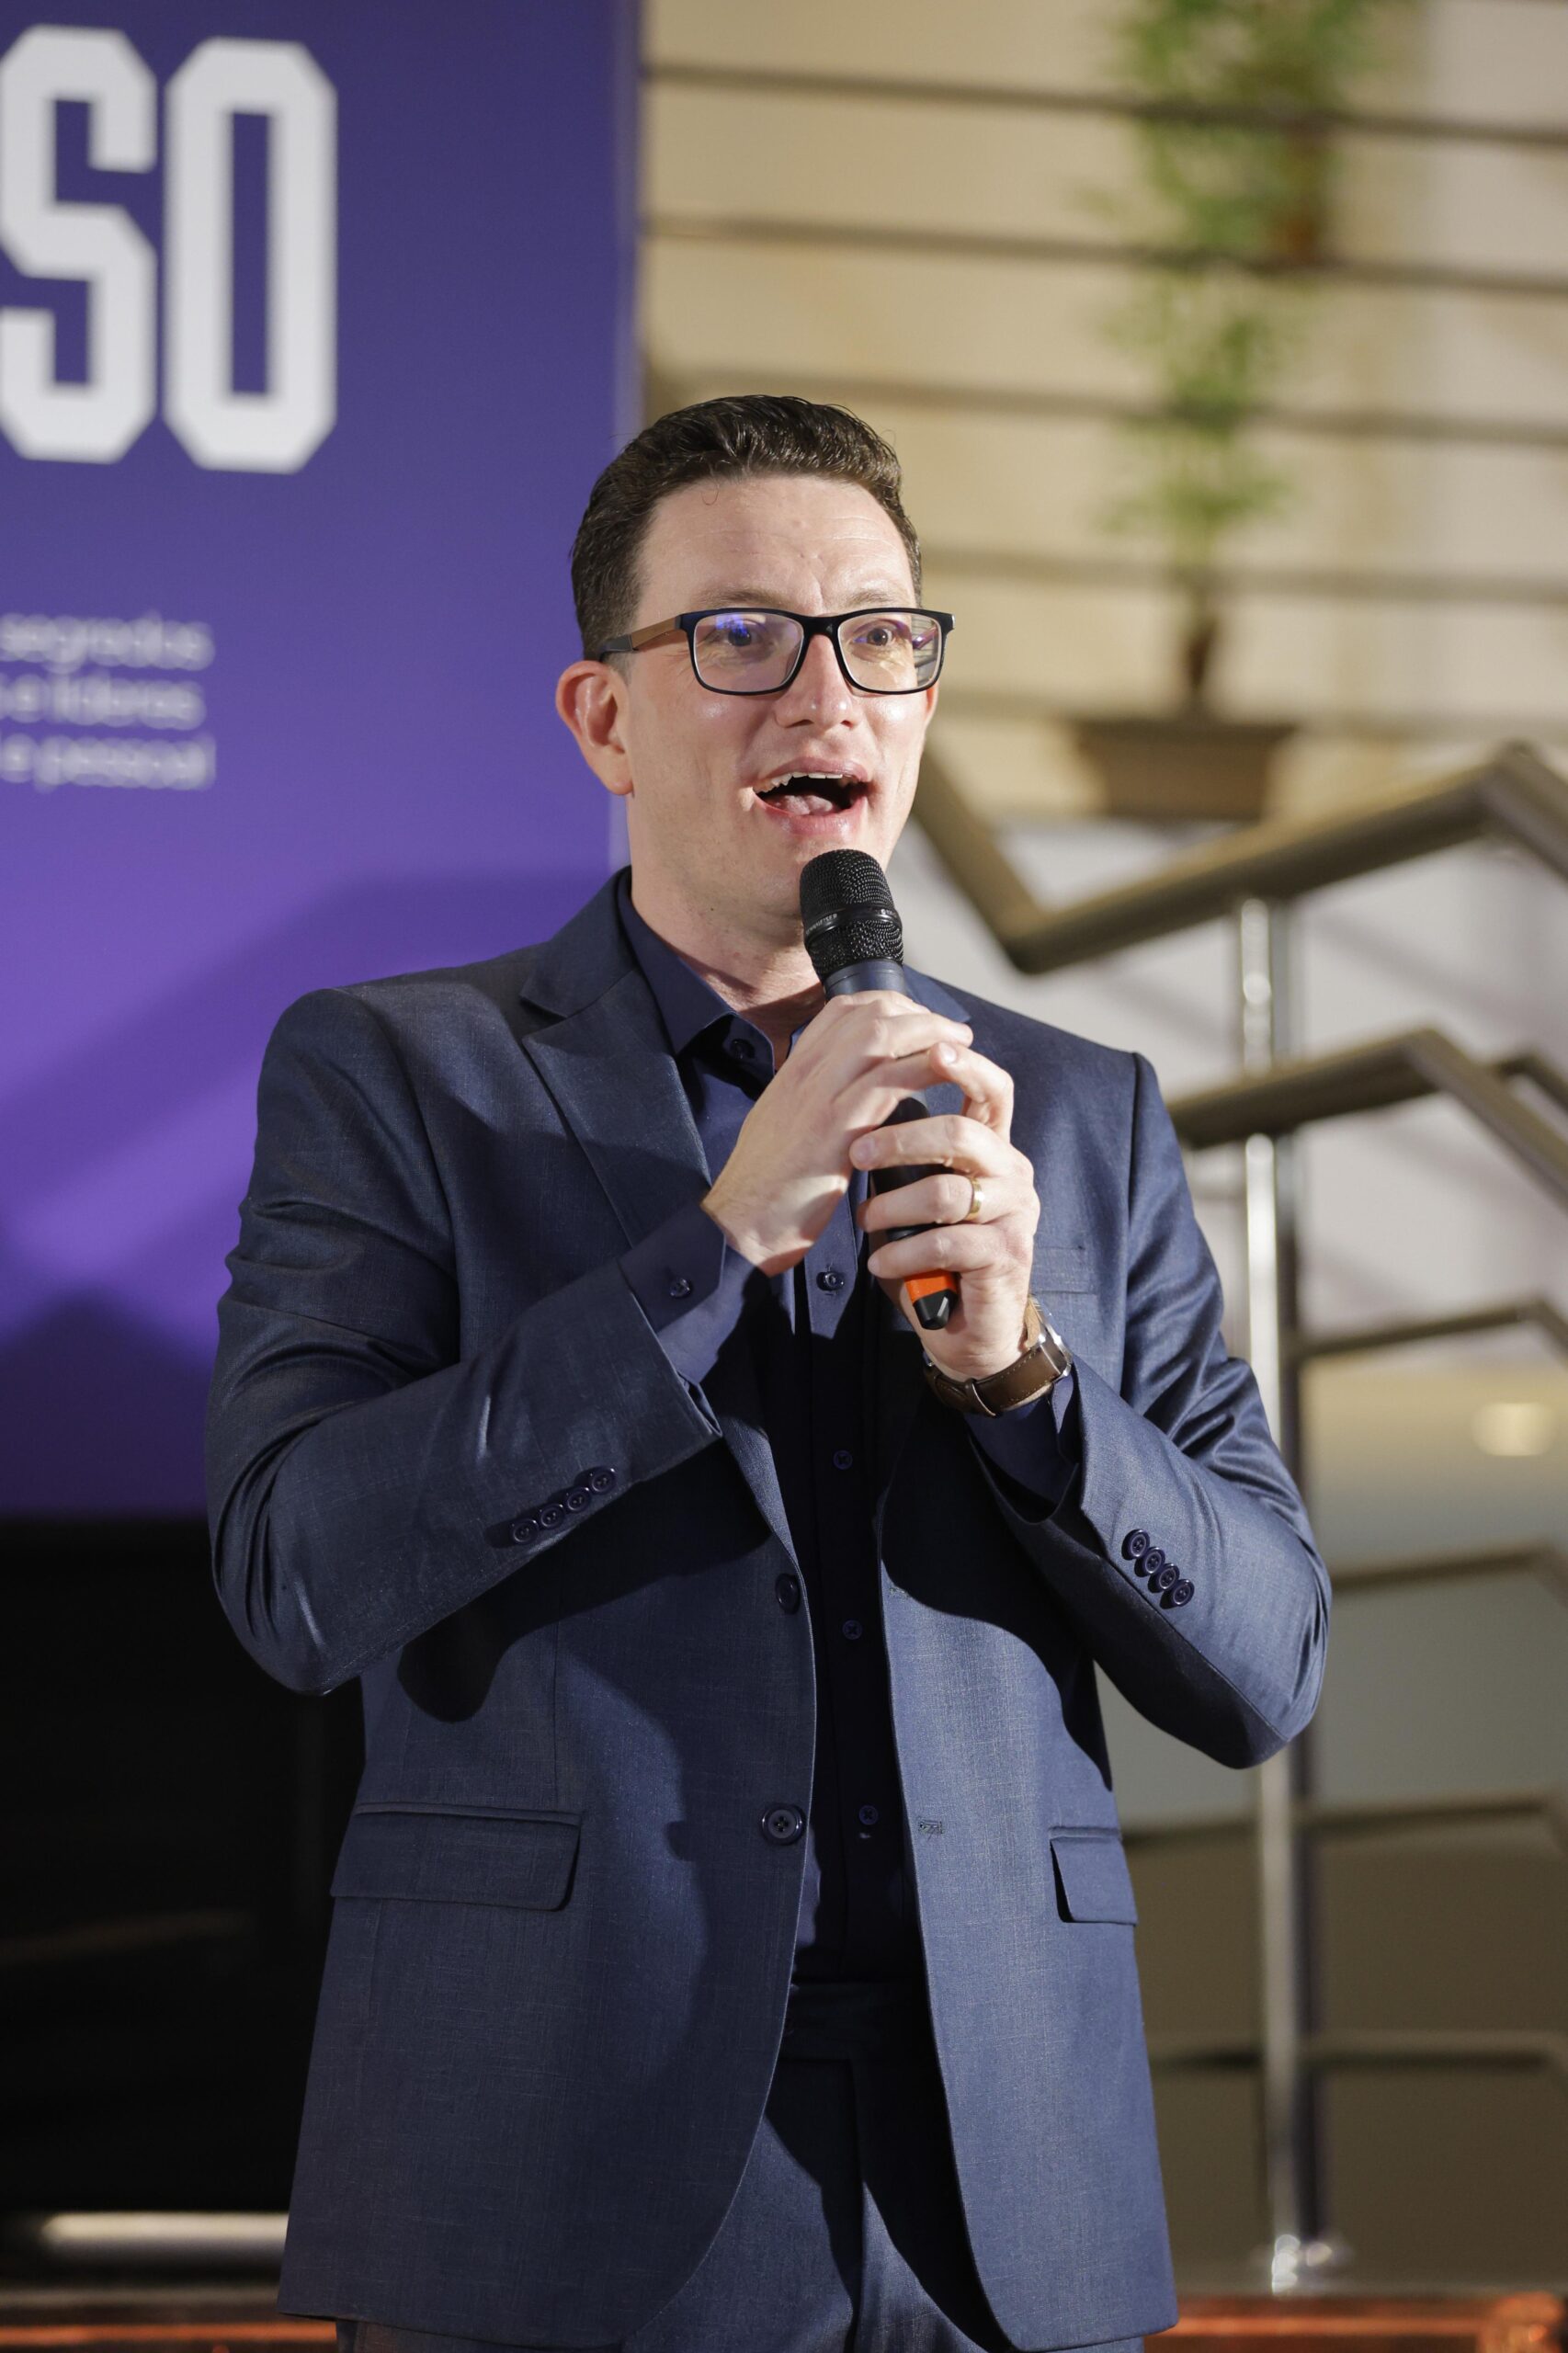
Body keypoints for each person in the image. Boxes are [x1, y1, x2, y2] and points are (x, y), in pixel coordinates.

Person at [207, 394, 1330, 2353]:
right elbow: (297, 1573)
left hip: (1004, 2185)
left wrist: (1024, 1379)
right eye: (740, 636)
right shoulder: (397, 1072)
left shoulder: (1079, 1112)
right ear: (603, 717)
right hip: (562, 2158)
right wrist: (713, 1245)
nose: (823, 691)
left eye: (878, 636)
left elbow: (1265, 1668)